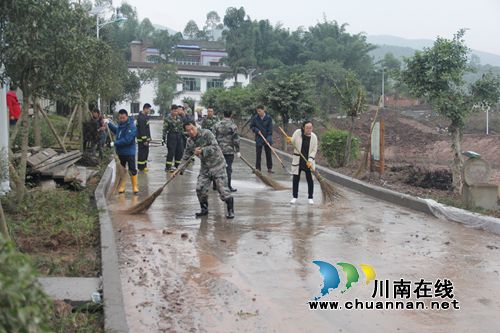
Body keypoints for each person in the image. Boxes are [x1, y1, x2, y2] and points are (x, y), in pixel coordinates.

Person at [180, 120, 235, 219]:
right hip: (205, 167)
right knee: (200, 189)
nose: (191, 132)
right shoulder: (190, 141)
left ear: (196, 126)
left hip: (218, 165)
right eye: (188, 131)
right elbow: (186, 156)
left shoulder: (206, 133)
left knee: (223, 191)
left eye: (192, 129)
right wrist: (180, 169)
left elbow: (215, 147)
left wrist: (202, 150)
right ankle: (204, 209)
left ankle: (230, 210)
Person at [105, 109, 139, 194]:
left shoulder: (131, 126)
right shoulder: (120, 125)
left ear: (127, 116)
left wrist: (115, 143)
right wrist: (108, 123)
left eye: (123, 118)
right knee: (122, 170)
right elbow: (116, 130)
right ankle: (122, 186)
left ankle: (134, 186)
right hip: (120, 152)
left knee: (132, 169)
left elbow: (127, 140)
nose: (122, 119)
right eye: (120, 118)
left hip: (129, 152)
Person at [286, 121, 317, 205]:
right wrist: (289, 140)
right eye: (307, 127)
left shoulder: (314, 137)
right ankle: (294, 197)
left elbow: (314, 150)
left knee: (310, 180)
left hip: (308, 162)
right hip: (298, 160)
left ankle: (310, 197)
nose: (309, 129)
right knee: (296, 179)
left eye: (310, 127)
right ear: (303, 127)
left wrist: (310, 160)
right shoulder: (297, 133)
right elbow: (293, 142)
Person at [214, 110, 241, 192]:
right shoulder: (233, 126)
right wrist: (238, 150)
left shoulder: (216, 124)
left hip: (218, 150)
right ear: (231, 115)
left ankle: (215, 185)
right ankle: (228, 186)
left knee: (217, 167)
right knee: (228, 168)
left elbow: (213, 137)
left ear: (223, 114)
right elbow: (236, 139)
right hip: (229, 151)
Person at [250, 105, 273, 173]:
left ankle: (269, 168)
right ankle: (258, 168)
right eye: (257, 111)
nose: (258, 112)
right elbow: (252, 126)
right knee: (258, 154)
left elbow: (270, 129)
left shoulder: (268, 118)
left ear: (263, 110)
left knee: (268, 153)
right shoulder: (255, 118)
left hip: (267, 137)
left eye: (259, 111)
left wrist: (268, 139)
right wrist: (256, 130)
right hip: (259, 137)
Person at [163, 104, 184, 172]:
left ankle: (176, 166)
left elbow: (181, 128)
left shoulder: (179, 118)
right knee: (171, 152)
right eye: (174, 111)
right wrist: (163, 138)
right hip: (171, 136)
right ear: (171, 111)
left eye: (177, 111)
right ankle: (168, 167)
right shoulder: (167, 118)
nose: (176, 112)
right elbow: (165, 129)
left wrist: (183, 136)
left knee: (179, 151)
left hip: (179, 136)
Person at [136, 103, 152, 172]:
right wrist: (145, 140)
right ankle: (141, 167)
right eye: (148, 109)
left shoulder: (144, 116)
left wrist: (149, 138)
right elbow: (142, 130)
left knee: (145, 153)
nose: (149, 111)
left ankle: (144, 166)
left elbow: (147, 129)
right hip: (142, 140)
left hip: (145, 139)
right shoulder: (141, 118)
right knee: (142, 153)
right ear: (145, 108)